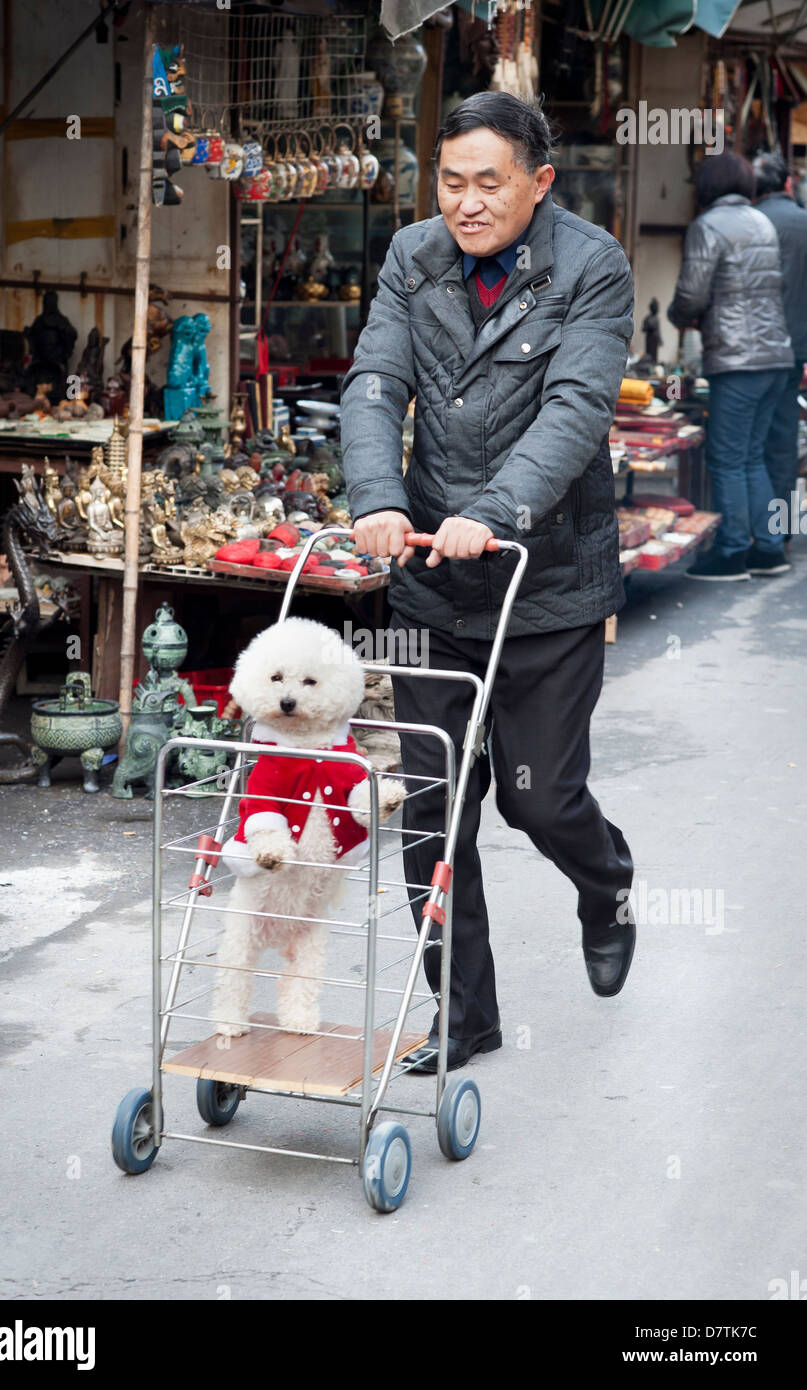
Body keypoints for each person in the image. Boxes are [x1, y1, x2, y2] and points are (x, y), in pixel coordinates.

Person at [341, 91, 635, 1073]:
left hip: (544, 580)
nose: (464, 204)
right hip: (430, 581)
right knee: (430, 807)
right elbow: (376, 381)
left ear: (538, 182)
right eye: (449, 182)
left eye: (487, 184)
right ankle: (462, 1017)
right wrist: (378, 494)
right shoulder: (411, 255)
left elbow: (577, 404)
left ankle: (606, 883)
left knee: (538, 799)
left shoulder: (589, 265)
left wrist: (497, 510)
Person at [668, 150, 793, 580]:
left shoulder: (708, 226)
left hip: (737, 361)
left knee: (725, 458)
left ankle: (733, 551)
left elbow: (691, 296)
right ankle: (769, 550)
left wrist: (677, 318)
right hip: (776, 356)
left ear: (707, 186)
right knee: (752, 456)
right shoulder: (762, 222)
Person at [752, 151, 807, 552]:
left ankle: (750, 532)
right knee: (783, 440)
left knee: (744, 445)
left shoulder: (751, 224)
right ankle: (780, 530)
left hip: (749, 349)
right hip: (795, 347)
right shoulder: (804, 223)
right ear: (788, 183)